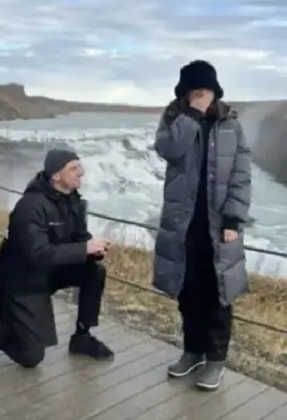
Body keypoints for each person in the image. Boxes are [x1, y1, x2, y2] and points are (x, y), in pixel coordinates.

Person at [0, 149, 114, 368]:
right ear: (56, 176)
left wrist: (92, 249)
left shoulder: (74, 200)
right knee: (30, 357)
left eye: (80, 167)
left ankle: (82, 337)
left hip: (49, 271)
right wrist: (83, 248)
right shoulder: (30, 207)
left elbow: (79, 238)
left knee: (94, 271)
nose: (81, 173)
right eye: (74, 168)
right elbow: (38, 254)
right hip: (19, 279)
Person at [153, 60, 251, 391]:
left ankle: (215, 360)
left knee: (218, 293)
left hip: (219, 225)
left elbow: (241, 175)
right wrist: (191, 115)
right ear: (185, 93)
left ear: (215, 91)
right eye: (194, 90)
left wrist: (234, 219)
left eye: (205, 90)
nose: (200, 95)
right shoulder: (174, 119)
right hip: (184, 224)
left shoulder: (230, 125)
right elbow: (168, 149)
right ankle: (192, 351)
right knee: (188, 290)